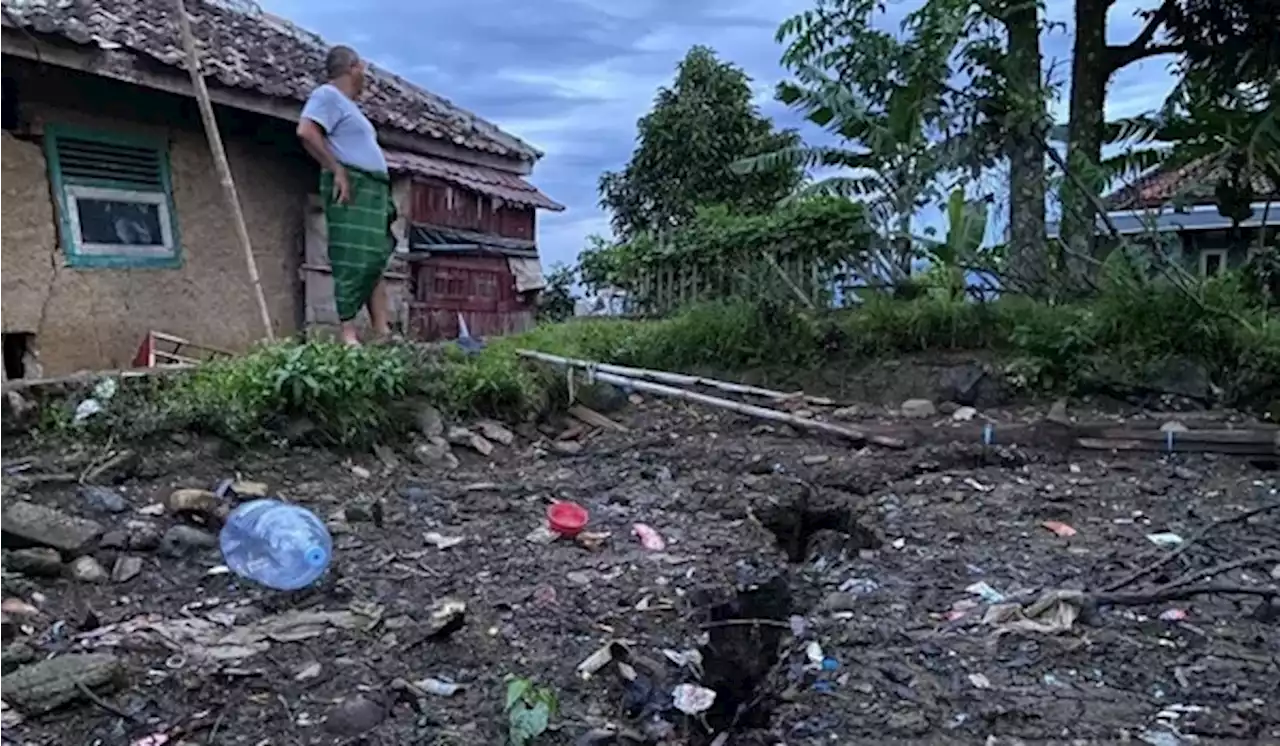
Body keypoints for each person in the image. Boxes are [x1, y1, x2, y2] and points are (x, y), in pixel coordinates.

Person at [296, 45, 396, 345]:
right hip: (353, 186)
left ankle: (382, 331)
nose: (365, 77)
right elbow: (306, 131)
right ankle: (348, 334)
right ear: (353, 68)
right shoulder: (326, 96)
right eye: (363, 70)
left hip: (372, 188)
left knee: (373, 258)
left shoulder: (349, 106)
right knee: (352, 257)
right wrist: (336, 170)